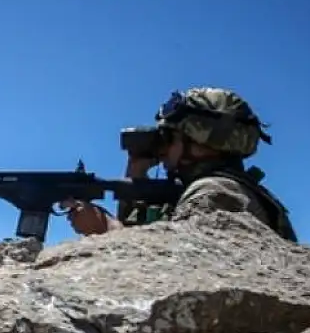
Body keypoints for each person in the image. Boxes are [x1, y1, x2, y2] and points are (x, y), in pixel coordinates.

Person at [60, 87, 297, 242]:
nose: (161, 150)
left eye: (169, 139)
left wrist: (106, 228)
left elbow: (179, 268)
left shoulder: (216, 192)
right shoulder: (214, 188)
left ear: (201, 144)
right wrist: (136, 172)